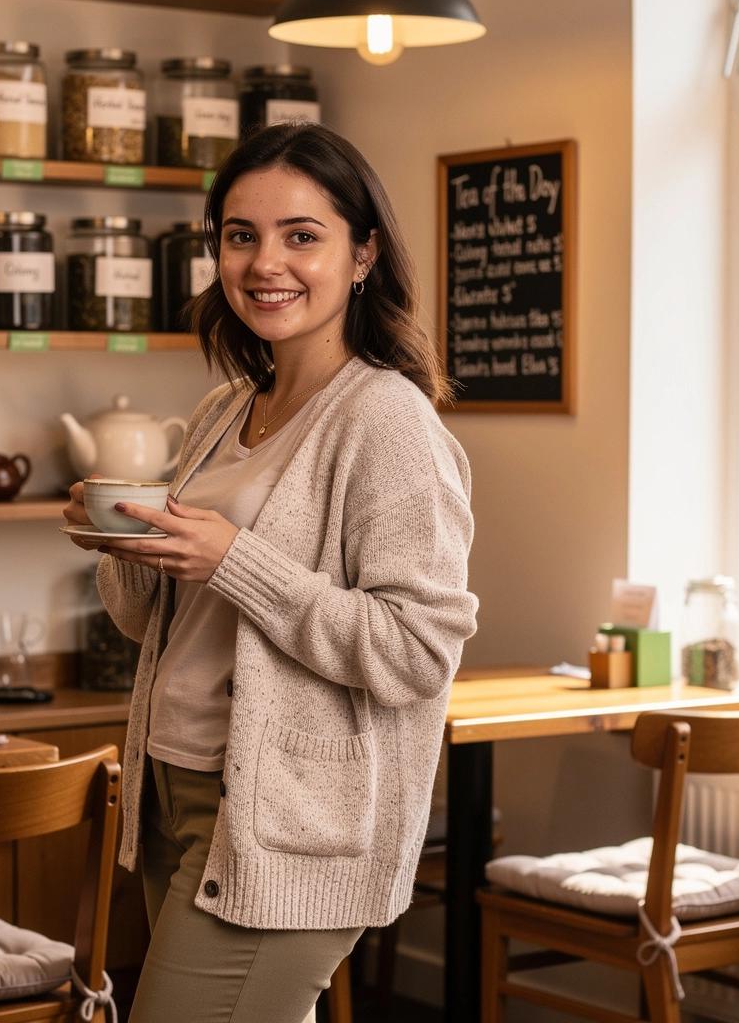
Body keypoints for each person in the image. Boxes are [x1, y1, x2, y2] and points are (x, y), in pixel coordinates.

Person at [62, 122, 479, 1023]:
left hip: (288, 813)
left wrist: (234, 560)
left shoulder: (386, 420)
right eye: (239, 235)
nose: (264, 263)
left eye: (302, 235)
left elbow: (418, 651)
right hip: (174, 784)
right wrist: (120, 541)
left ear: (362, 254)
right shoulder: (226, 407)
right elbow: (153, 624)